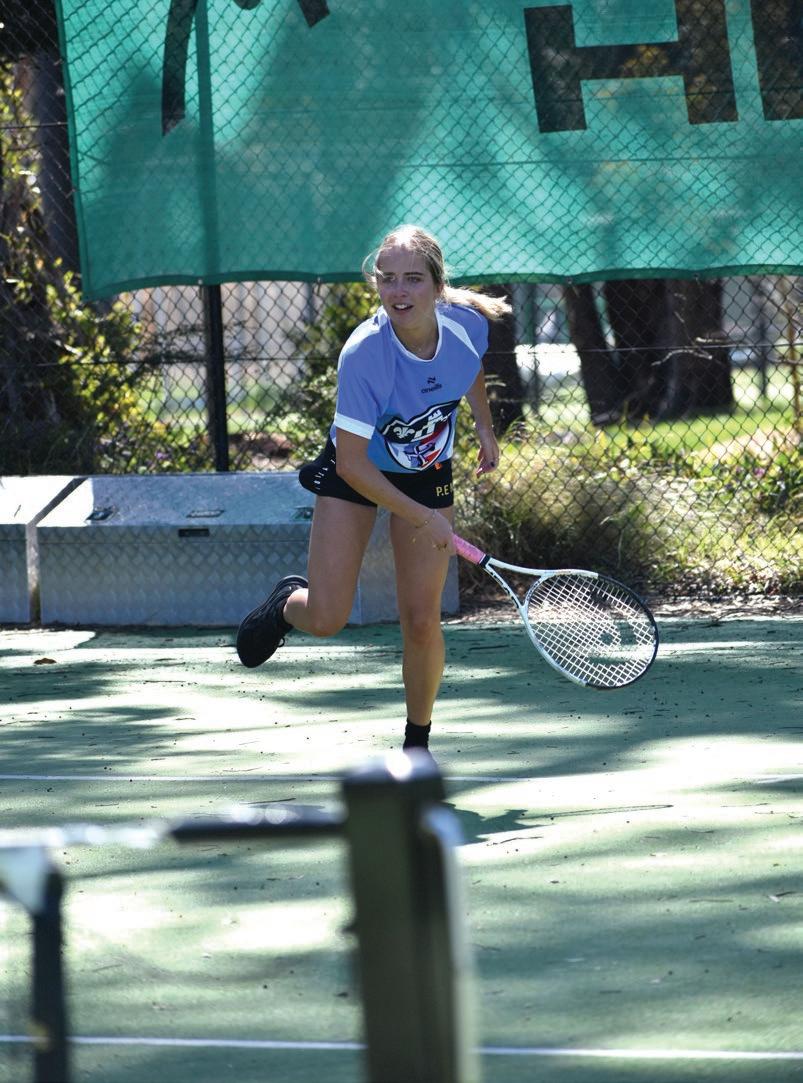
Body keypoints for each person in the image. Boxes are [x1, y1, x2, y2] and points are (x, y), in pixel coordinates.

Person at [236, 224, 511, 758]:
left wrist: (483, 425)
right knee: (327, 618)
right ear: (376, 284)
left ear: (437, 286)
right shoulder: (364, 354)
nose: (399, 292)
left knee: (422, 620)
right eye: (388, 279)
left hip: (425, 471)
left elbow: (469, 369)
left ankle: (417, 746)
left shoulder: (466, 326)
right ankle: (287, 603)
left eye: (413, 279)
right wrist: (424, 517)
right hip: (356, 471)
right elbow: (354, 464)